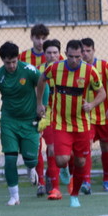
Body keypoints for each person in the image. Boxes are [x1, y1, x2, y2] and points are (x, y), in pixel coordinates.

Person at [37, 39, 106, 208]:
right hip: (60, 121)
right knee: (60, 160)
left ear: (82, 55)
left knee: (81, 162)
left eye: (77, 57)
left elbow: (102, 93)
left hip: (81, 123)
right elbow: (41, 81)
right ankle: (64, 170)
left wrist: (92, 104)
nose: (74, 60)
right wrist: (40, 103)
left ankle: (74, 195)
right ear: (65, 54)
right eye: (70, 56)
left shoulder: (90, 71)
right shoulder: (55, 68)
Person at [0, 42, 43, 206]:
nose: (11, 66)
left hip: (30, 120)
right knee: (10, 159)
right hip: (9, 121)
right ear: (2, 61)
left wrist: (41, 106)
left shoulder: (29, 70)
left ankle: (31, 168)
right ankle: (14, 196)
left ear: (18, 58)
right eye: (7, 63)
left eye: (13, 62)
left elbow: (43, 86)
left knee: (31, 159)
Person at [80, 37, 108, 193]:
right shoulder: (78, 68)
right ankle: (86, 182)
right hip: (85, 117)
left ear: (94, 50)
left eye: (88, 50)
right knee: (86, 147)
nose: (85, 54)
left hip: (105, 116)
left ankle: (107, 180)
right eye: (82, 51)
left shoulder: (104, 66)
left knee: (106, 148)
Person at [19, 23, 51, 196]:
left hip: (52, 108)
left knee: (52, 146)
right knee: (35, 145)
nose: (40, 42)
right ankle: (41, 180)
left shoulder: (55, 56)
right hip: (30, 108)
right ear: (31, 38)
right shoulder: (22, 57)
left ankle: (54, 177)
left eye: (43, 38)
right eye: (37, 38)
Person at [38, 39, 64, 200]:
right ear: (44, 54)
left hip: (63, 115)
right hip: (45, 115)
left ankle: (51, 177)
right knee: (42, 149)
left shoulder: (66, 69)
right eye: (49, 53)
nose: (52, 55)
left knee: (57, 151)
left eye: (55, 52)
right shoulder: (38, 71)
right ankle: (47, 184)